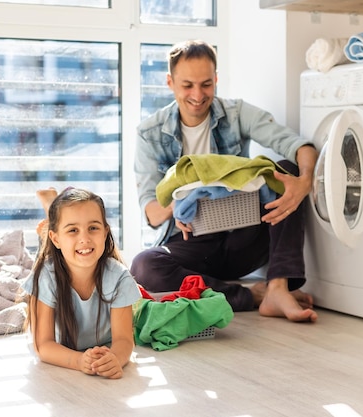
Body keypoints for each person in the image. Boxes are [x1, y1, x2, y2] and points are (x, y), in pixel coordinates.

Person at [131, 39, 318, 322]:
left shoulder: (236, 113)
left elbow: (298, 146)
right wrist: (182, 197)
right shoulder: (150, 132)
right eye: (187, 85)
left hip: (241, 236)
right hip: (193, 243)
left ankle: (278, 287)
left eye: (206, 84)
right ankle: (248, 296)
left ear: (216, 79)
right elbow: (153, 213)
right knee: (144, 267)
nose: (197, 94)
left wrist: (304, 181)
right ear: (170, 82)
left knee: (286, 170)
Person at [21, 187, 141, 379]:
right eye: (73, 230)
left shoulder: (119, 277)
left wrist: (115, 359)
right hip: (63, 340)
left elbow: (124, 341)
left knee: (73, 242)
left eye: (93, 228)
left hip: (100, 345)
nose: (85, 238)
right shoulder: (45, 276)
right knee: (53, 256)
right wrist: (78, 361)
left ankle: (58, 214)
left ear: (105, 233)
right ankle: (51, 209)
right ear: (56, 238)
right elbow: (43, 346)